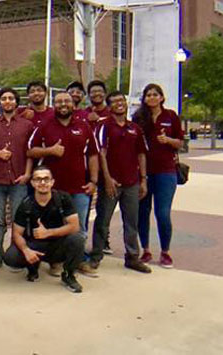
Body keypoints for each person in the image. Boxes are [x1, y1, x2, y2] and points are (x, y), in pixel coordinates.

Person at [88, 91, 151, 273]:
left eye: (121, 100)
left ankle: (132, 257)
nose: (119, 104)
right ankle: (96, 256)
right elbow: (101, 153)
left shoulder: (135, 128)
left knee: (131, 221)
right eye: (114, 101)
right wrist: (107, 179)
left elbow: (141, 154)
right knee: (103, 221)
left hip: (131, 182)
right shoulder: (104, 126)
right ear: (109, 106)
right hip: (112, 183)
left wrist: (143, 180)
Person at [27, 91, 99, 246]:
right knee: (53, 226)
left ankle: (79, 260)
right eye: (59, 102)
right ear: (54, 105)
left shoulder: (83, 126)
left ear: (72, 104)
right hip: (53, 189)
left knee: (79, 228)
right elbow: (30, 151)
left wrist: (93, 181)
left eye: (67, 101)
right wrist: (49, 151)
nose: (63, 104)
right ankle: (56, 260)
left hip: (79, 188)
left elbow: (93, 155)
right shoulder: (45, 125)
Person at [3, 166, 86, 293]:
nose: (42, 183)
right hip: (34, 245)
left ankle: (69, 275)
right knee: (11, 256)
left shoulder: (63, 199)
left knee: (77, 240)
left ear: (52, 182)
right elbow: (17, 233)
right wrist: (26, 250)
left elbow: (75, 227)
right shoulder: (26, 204)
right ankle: (32, 267)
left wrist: (48, 232)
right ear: (32, 183)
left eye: (46, 179)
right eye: (38, 179)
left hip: (57, 245)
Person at [131, 83, 183, 269]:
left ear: (161, 97)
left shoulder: (171, 116)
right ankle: (145, 249)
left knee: (162, 212)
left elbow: (180, 143)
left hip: (166, 171)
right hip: (143, 172)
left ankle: (165, 252)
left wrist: (168, 140)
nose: (152, 98)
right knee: (143, 212)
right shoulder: (138, 117)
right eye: (148, 95)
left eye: (155, 94)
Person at [0, 87, 34, 269]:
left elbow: (30, 152)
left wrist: (27, 174)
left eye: (11, 98)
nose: (8, 101)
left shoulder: (27, 125)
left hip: (19, 178)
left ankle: (15, 253)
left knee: (18, 219)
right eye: (4, 98)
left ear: (16, 101)